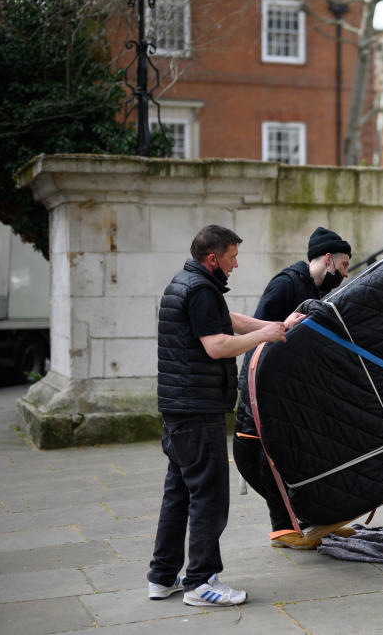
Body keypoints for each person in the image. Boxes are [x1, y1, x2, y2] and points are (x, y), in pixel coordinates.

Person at [147, 225, 305, 607]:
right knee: (210, 498)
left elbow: (227, 319)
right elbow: (217, 345)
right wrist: (264, 337)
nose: (236, 264)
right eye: (232, 257)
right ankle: (201, 583)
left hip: (178, 409)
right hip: (198, 412)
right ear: (212, 258)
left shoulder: (186, 283)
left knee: (179, 494)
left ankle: (162, 576)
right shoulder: (200, 288)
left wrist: (277, 325)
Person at [233, 227, 353, 550]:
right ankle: (283, 528)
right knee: (263, 456)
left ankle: (317, 519)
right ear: (327, 259)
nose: (345, 273)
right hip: (264, 393)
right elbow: (256, 333)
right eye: (342, 266)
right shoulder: (286, 284)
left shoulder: (315, 291)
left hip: (293, 392)